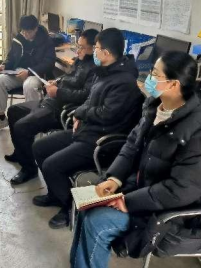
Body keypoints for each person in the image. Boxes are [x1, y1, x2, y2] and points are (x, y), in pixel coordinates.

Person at [53, 52, 201, 268]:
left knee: (98, 219)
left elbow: (180, 190)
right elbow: (131, 147)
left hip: (174, 214)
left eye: (155, 74)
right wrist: (114, 179)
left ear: (173, 84)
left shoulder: (199, 131)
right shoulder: (157, 108)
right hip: (146, 190)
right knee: (85, 203)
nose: (149, 79)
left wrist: (126, 201)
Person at [32, 28, 144, 229]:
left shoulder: (124, 82)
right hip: (86, 131)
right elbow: (89, 100)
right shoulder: (105, 72)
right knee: (39, 147)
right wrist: (78, 113)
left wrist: (81, 113)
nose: (94, 51)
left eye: (97, 48)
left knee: (52, 165)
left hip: (101, 140)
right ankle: (56, 194)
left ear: (106, 53)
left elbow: (106, 114)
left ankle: (69, 209)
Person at [6, 29, 99, 186]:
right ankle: (21, 153)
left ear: (94, 48)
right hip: (51, 101)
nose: (78, 50)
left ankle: (29, 169)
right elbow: (70, 76)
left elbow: (85, 95)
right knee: (13, 111)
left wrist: (58, 92)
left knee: (22, 126)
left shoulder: (95, 69)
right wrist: (58, 81)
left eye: (82, 47)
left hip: (60, 108)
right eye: (78, 46)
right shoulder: (80, 60)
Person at [0, 15, 56, 134]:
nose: (25, 34)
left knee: (29, 86)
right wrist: (5, 65)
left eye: (28, 32)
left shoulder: (46, 41)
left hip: (36, 74)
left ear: (36, 29)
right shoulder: (19, 38)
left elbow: (49, 63)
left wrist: (29, 72)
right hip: (18, 72)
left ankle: (34, 120)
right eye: (23, 31)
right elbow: (11, 57)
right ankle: (1, 118)